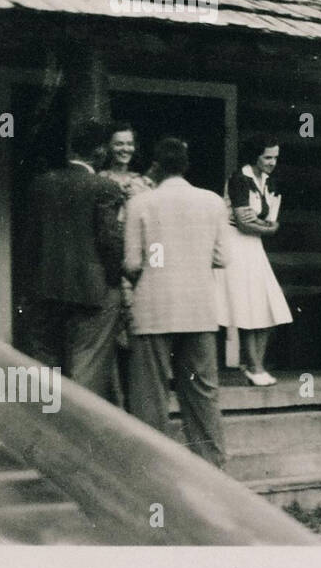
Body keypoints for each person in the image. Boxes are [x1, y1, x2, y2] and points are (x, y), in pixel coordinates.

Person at [124, 137, 232, 467]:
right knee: (202, 392)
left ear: (155, 166)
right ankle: (211, 465)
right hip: (198, 307)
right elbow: (222, 257)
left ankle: (152, 466)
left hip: (153, 307)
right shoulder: (213, 202)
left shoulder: (141, 204)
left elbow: (131, 262)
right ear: (187, 166)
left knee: (149, 394)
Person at [21, 120, 126, 402]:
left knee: (45, 365)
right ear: (101, 152)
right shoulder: (106, 187)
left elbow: (30, 241)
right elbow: (110, 242)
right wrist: (114, 281)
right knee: (87, 366)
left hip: (45, 287)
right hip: (91, 291)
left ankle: (45, 429)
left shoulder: (41, 183)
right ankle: (80, 434)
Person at [214, 135, 292, 386]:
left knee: (268, 304)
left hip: (254, 247)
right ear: (255, 156)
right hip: (235, 246)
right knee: (247, 307)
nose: (272, 162)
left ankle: (256, 365)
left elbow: (266, 222)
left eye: (275, 157)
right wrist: (267, 227)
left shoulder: (270, 182)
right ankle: (253, 366)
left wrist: (264, 226)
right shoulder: (240, 179)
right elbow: (246, 224)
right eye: (267, 157)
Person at [100, 121, 155, 403]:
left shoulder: (144, 183)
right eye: (119, 143)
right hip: (108, 267)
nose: (125, 149)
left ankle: (139, 403)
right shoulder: (101, 179)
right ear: (109, 146)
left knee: (136, 335)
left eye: (129, 144)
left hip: (137, 267)